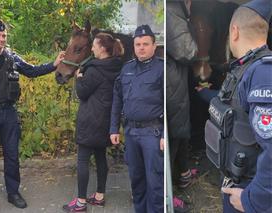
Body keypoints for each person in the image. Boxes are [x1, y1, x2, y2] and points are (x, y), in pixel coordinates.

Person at [0, 19, 63, 213]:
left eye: (4, 35)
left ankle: (13, 193)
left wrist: (54, 64)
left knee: (12, 157)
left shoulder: (12, 57)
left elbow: (32, 71)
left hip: (8, 113)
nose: (1, 38)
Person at [203, 0, 272, 212]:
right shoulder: (246, 69)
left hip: (250, 189)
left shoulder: (262, 73)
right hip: (238, 181)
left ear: (234, 31)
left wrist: (253, 200)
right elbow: (235, 107)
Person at [62, 32, 124, 212]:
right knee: (100, 158)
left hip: (90, 120)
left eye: (94, 45)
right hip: (105, 121)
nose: (92, 48)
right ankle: (99, 196)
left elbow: (82, 93)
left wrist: (79, 78)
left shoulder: (95, 70)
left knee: (82, 161)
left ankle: (80, 202)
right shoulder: (115, 67)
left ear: (102, 48)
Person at [110, 24, 164, 213]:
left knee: (155, 183)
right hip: (131, 133)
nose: (141, 47)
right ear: (133, 46)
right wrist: (114, 129)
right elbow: (117, 98)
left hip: (153, 133)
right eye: (138, 44)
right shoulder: (127, 69)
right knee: (137, 180)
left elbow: (170, 104)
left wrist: (165, 133)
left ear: (154, 46)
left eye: (145, 44)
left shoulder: (161, 69)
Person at [166, 0, 198, 211]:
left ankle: (184, 174)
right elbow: (188, 51)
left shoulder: (173, 11)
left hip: (174, 80)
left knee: (180, 130)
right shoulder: (172, 11)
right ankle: (168, 195)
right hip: (172, 84)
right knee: (174, 135)